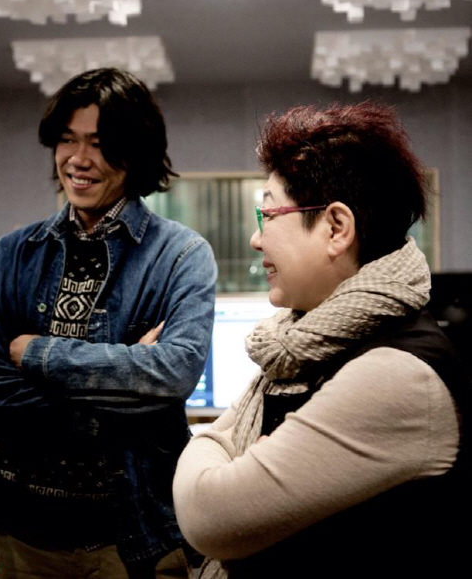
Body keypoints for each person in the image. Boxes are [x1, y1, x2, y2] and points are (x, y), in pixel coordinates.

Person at [173, 102, 470, 577]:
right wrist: (223, 450)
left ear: (336, 228)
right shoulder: (304, 343)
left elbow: (208, 515)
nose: (255, 239)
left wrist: (211, 445)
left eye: (268, 213)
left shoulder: (398, 374)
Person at [0, 68, 217, 579]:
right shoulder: (14, 252)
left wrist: (35, 354)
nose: (78, 159)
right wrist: (120, 391)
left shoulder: (182, 255)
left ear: (135, 153)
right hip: (20, 532)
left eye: (100, 143)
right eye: (68, 140)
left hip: (132, 537)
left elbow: (174, 372)